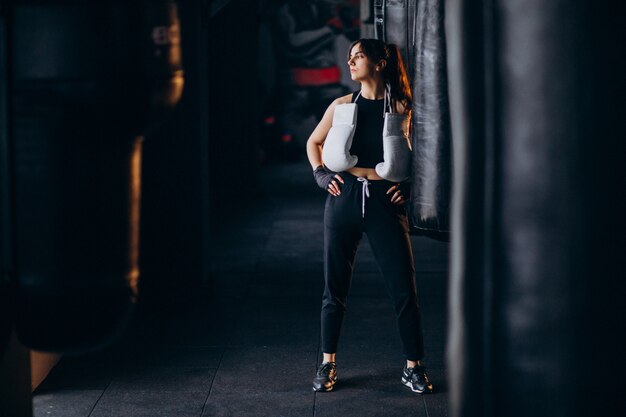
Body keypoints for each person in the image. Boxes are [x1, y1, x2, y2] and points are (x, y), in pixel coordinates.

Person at [306, 38, 433, 394]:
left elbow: (428, 155)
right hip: (343, 199)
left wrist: (410, 188)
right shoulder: (341, 105)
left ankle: (414, 367)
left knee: (404, 290)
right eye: (349, 57)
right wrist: (321, 174)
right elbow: (312, 142)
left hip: (384, 203)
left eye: (358, 56)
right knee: (335, 289)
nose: (351, 62)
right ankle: (327, 363)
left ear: (379, 63)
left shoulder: (405, 108)